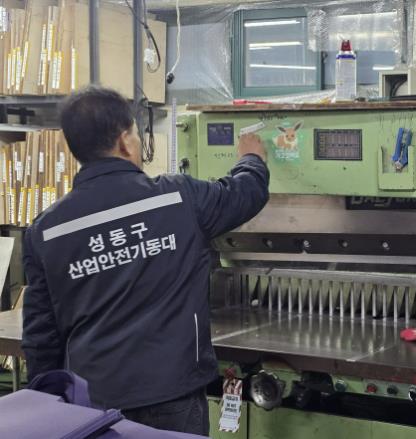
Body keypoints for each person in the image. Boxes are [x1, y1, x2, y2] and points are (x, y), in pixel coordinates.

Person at [21, 86, 269, 436]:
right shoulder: (177, 197)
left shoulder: (45, 231)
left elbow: (41, 337)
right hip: (173, 394)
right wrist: (252, 158)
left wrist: (49, 407)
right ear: (125, 141)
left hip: (93, 402)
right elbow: (245, 194)